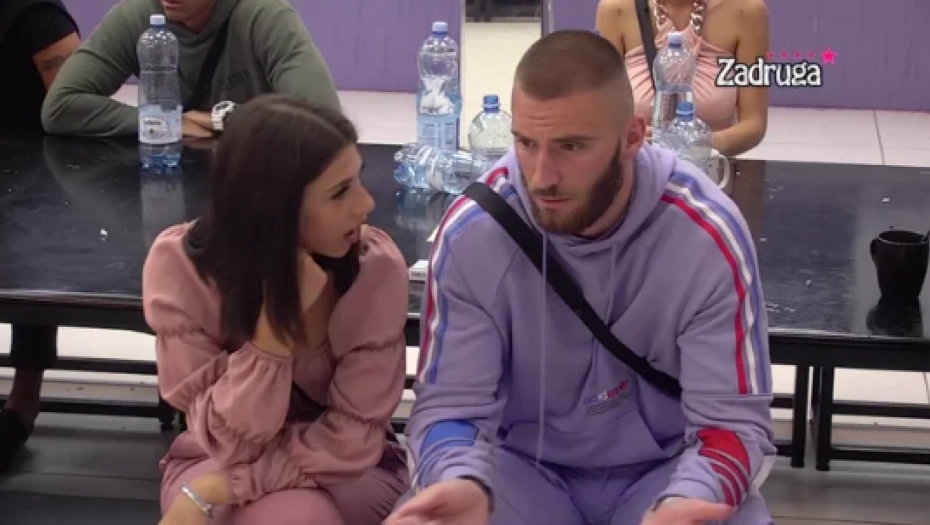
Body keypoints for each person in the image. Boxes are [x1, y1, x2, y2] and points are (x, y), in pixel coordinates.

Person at [387, 30, 775, 525]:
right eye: (527, 143)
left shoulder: (706, 235)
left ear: (633, 137)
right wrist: (457, 479)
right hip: (517, 474)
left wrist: (690, 499)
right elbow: (450, 409)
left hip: (667, 472)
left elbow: (732, 424)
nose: (542, 176)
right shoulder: (475, 233)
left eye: (571, 146)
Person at [142, 95, 409, 525]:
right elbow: (229, 444)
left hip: (348, 468)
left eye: (358, 179)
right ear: (273, 208)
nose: (366, 205)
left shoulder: (373, 269)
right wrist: (272, 340)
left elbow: (353, 437)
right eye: (340, 192)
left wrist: (224, 488)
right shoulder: (182, 267)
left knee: (295, 515)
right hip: (214, 455)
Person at [42, 0, 341, 138]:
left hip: (254, 183)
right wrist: (167, 122)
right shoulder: (135, 16)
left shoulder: (265, 15)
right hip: (169, 179)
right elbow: (60, 107)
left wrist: (224, 120)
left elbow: (326, 123)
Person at [0, 0, 80, 472]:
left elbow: (77, 100)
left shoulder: (34, 15)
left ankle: (23, 399)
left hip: (35, 173)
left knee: (29, 246)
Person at [596, 0, 769, 156]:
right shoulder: (616, 9)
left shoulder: (747, 10)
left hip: (707, 171)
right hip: (635, 170)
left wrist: (702, 144)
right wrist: (630, 139)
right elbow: (599, 118)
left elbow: (754, 124)